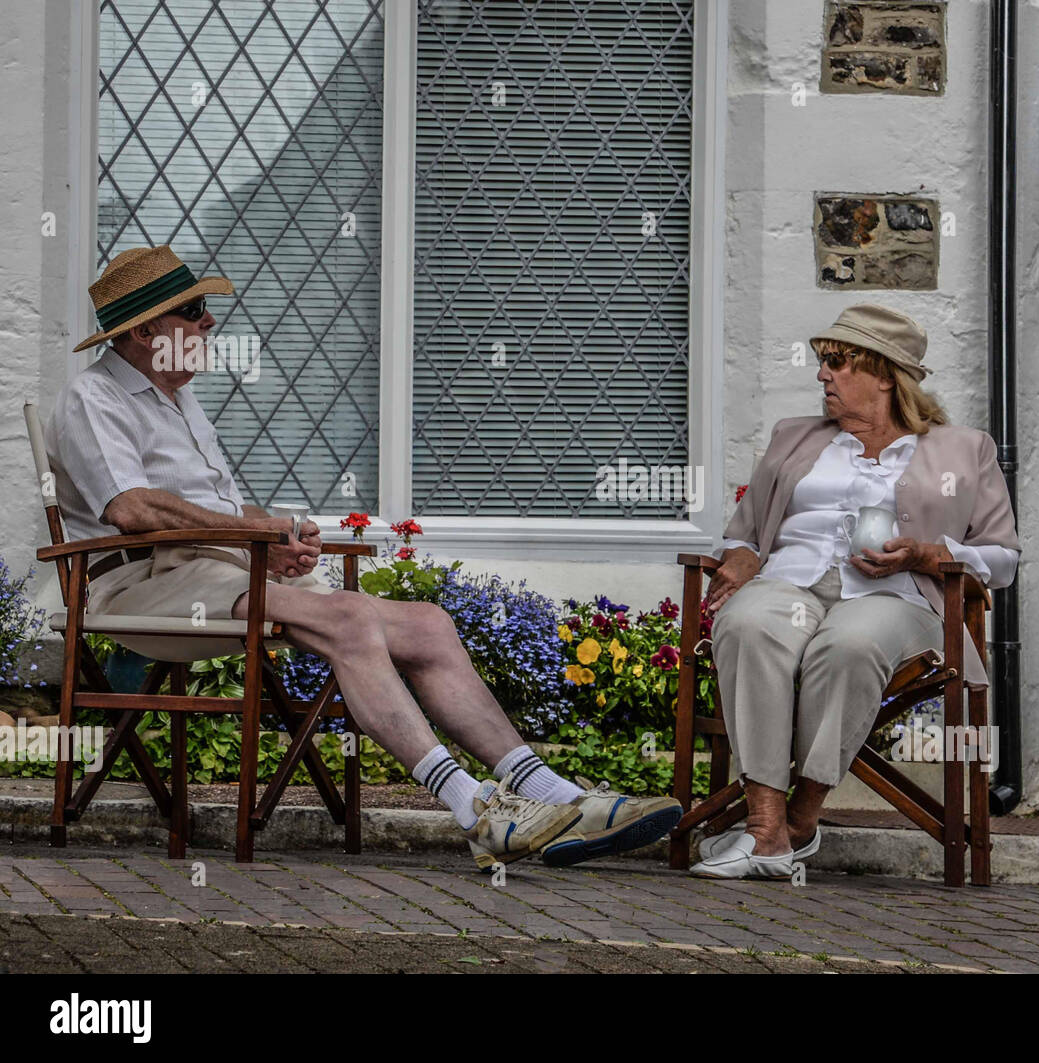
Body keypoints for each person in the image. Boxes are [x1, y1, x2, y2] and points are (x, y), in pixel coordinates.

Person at [47, 245, 681, 870]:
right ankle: (475, 810)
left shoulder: (181, 400)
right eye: (194, 309)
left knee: (427, 622)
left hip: (217, 571)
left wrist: (277, 544)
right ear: (146, 328)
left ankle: (558, 799)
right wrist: (258, 534)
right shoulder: (93, 398)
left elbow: (211, 512)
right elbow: (130, 509)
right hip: (138, 586)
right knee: (350, 620)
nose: (210, 322)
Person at [690, 303, 1019, 879]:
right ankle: (765, 831)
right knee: (746, 624)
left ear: (887, 374)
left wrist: (927, 552)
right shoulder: (793, 438)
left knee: (849, 647)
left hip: (896, 597)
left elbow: (1003, 557)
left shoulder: (964, 449)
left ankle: (800, 819)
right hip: (790, 580)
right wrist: (739, 555)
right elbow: (742, 533)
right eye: (823, 361)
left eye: (839, 362)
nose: (823, 374)